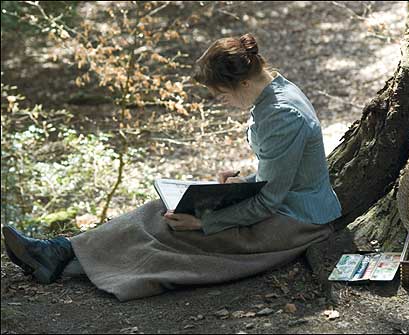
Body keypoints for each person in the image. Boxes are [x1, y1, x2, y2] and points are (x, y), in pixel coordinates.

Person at [2, 33, 342, 302]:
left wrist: (206, 220)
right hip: (281, 203)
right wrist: (243, 182)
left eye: (220, 95)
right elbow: (281, 171)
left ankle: (61, 258)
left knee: (178, 232)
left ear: (241, 83)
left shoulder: (282, 113)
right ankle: (60, 253)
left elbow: (271, 198)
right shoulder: (274, 92)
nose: (222, 102)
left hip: (298, 220)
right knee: (163, 211)